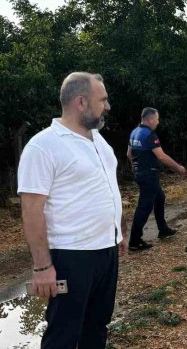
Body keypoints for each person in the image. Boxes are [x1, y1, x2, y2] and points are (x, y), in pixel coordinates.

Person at [18, 72, 126, 348]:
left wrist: (118, 232)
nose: (107, 106)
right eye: (102, 100)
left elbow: (106, 189)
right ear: (81, 102)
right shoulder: (43, 146)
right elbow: (32, 210)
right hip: (71, 256)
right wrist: (42, 267)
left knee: (97, 327)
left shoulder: (98, 140)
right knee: (63, 334)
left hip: (106, 251)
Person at [127, 107, 186, 251]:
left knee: (160, 197)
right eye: (157, 119)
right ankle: (134, 240)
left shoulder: (135, 132)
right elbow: (161, 156)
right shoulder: (149, 135)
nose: (158, 122)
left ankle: (163, 229)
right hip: (148, 174)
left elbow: (129, 153)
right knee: (144, 206)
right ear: (151, 119)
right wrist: (178, 167)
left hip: (139, 172)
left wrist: (136, 167)